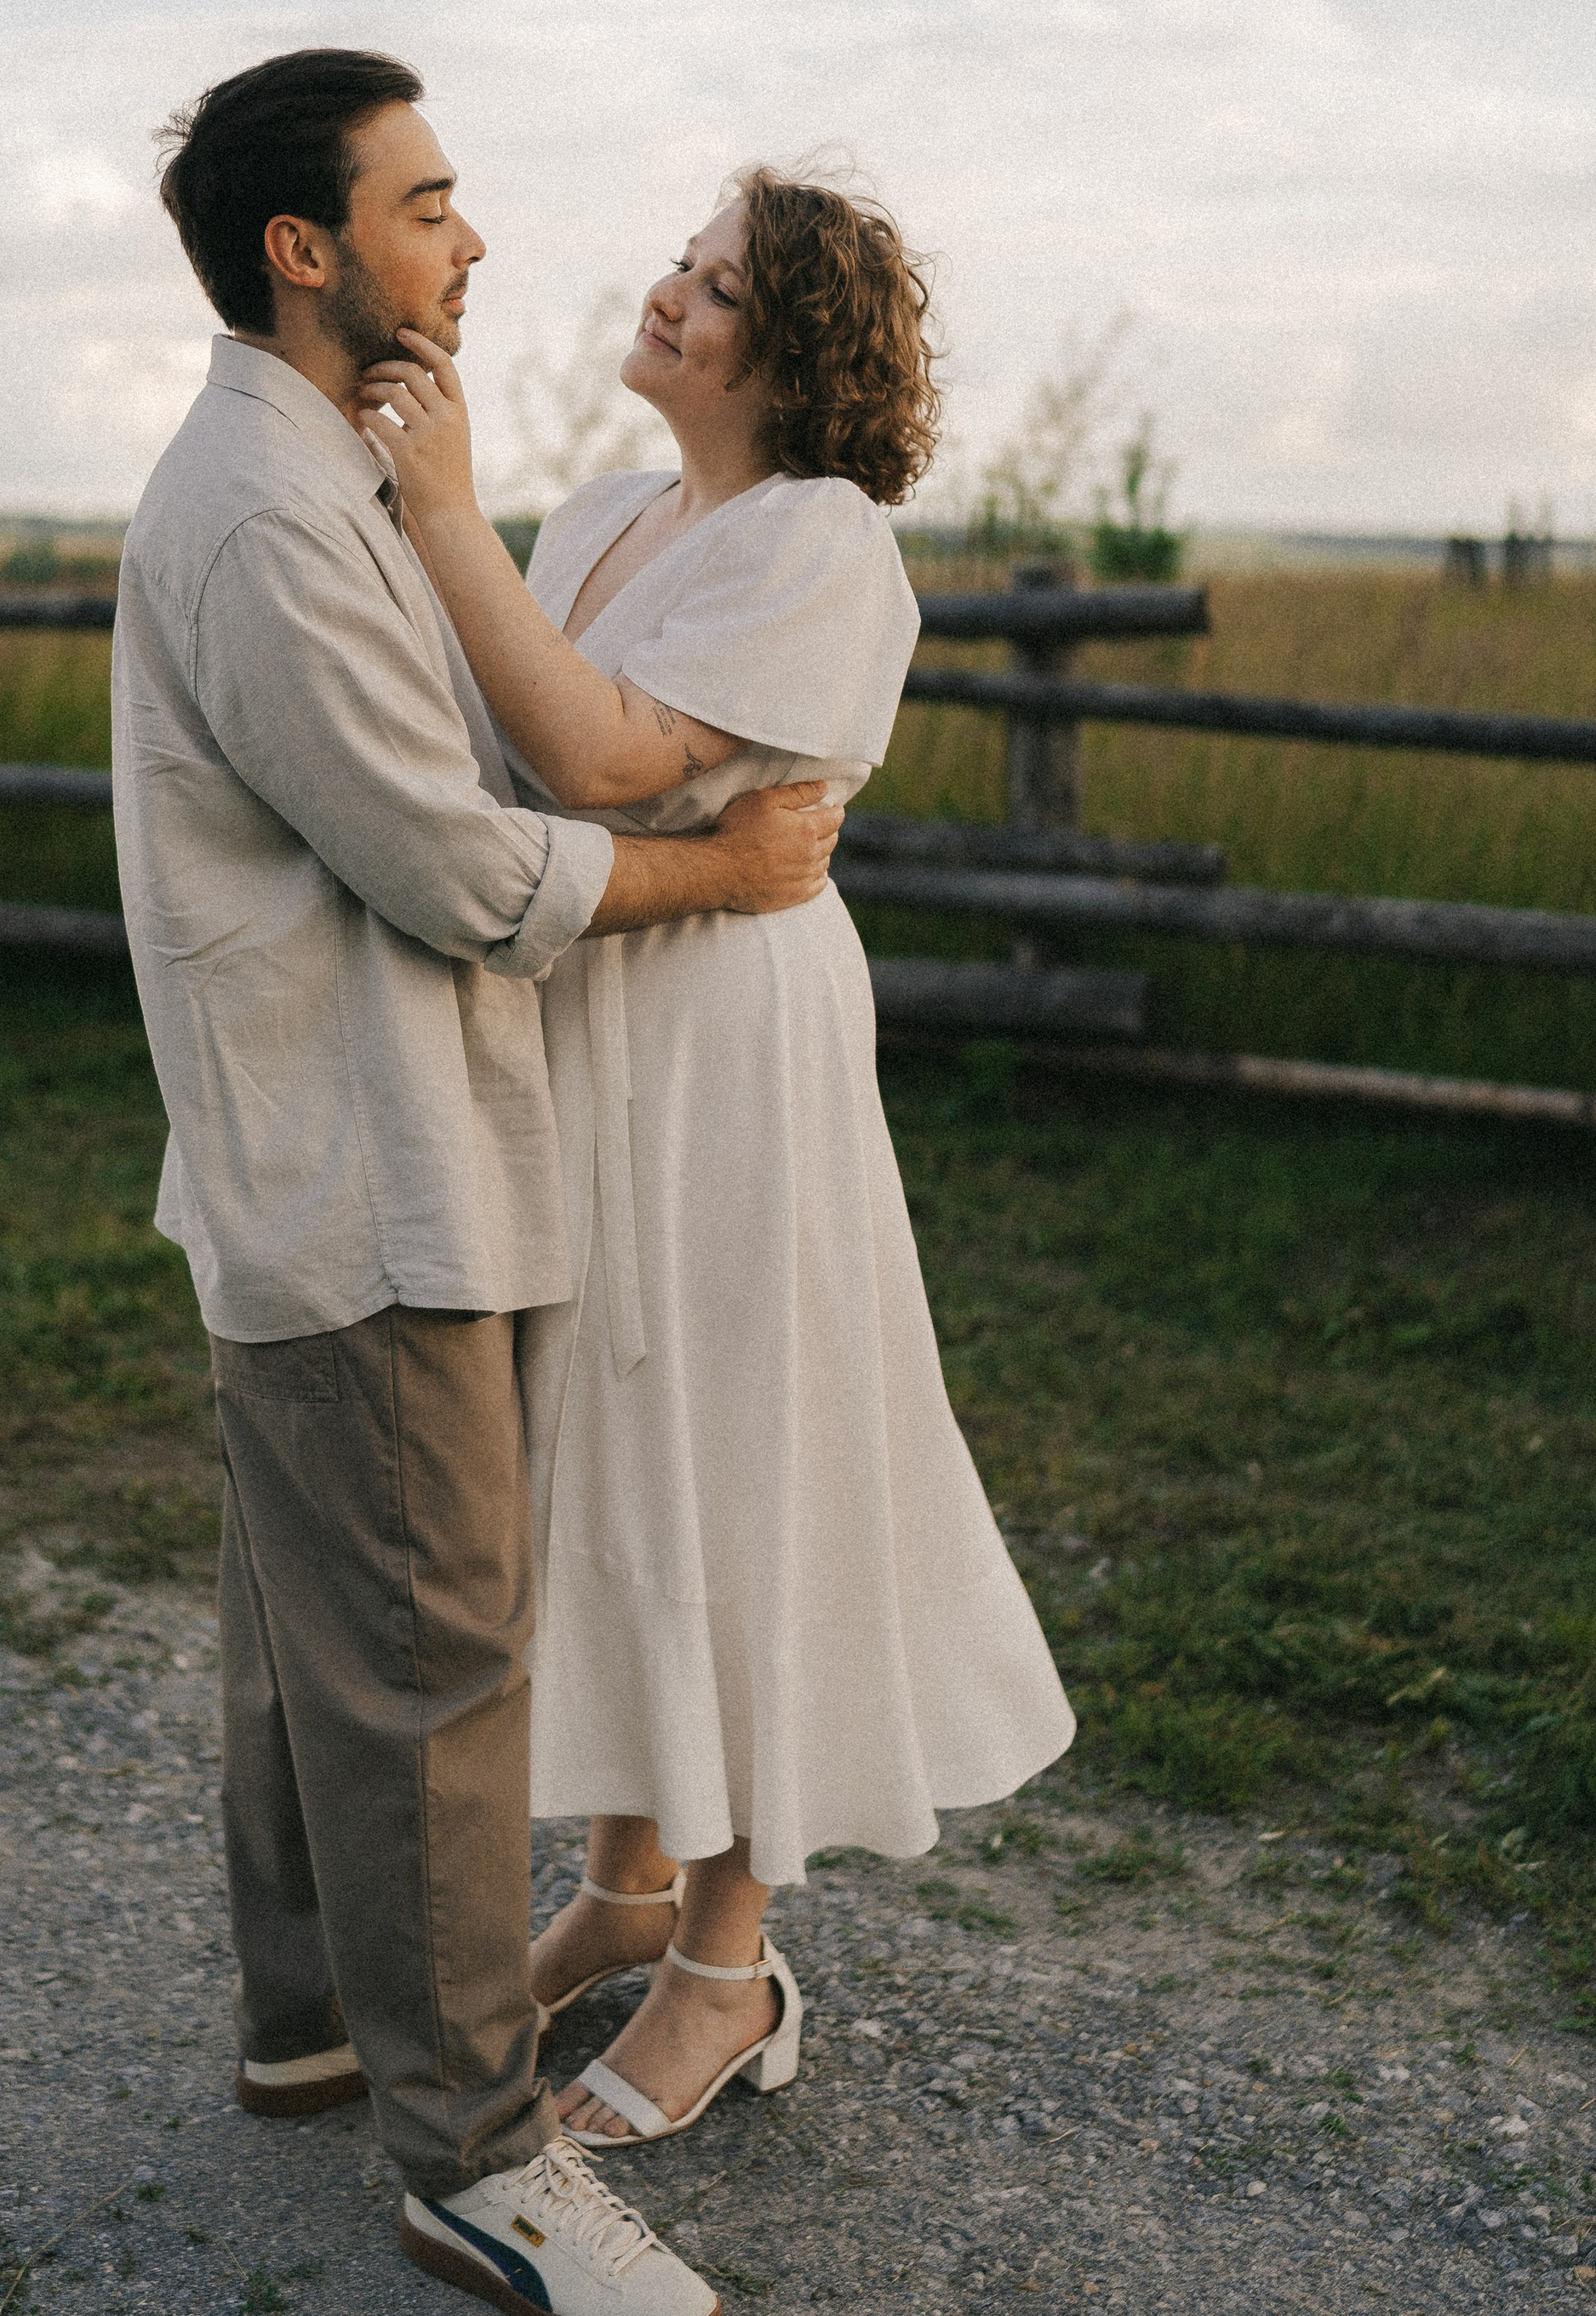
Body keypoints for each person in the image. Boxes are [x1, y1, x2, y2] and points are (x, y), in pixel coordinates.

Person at [112, 53, 849, 2316]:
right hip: (369, 1155)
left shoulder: (323, 470)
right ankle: (476, 2165)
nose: (478, 239)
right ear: (303, 252)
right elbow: (443, 854)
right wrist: (719, 863)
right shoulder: (260, 507)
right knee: (432, 1653)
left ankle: (314, 2020)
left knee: (311, 1628)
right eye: (430, 206)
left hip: (336, 1138)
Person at [359, 164, 1076, 2148]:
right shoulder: (597, 518)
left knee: (735, 1454)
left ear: (802, 350)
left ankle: (725, 1971)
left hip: (730, 1047)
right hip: (585, 1017)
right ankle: (622, 1885)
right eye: (676, 264)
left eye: (717, 287)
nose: (667, 296)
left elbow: (595, 760)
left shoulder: (820, 541)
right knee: (602, 1438)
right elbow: (490, 740)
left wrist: (436, 512)